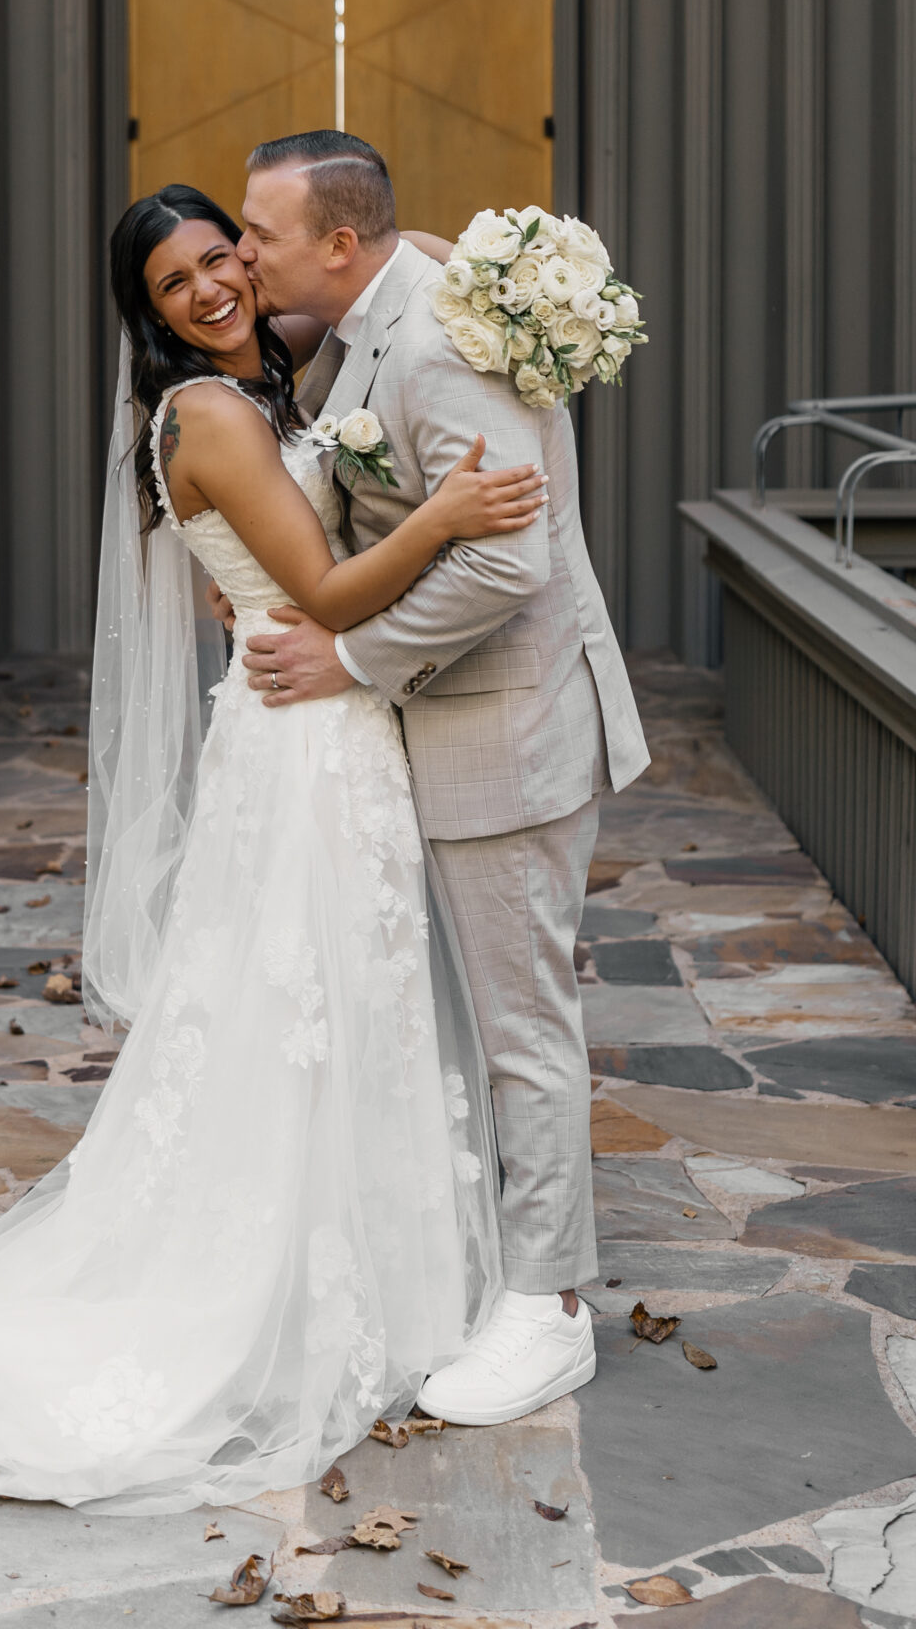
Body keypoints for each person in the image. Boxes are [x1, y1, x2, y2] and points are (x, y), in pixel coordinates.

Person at [0, 182, 544, 1512]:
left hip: (333, 731)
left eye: (220, 257)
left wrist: (433, 251)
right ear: (149, 318)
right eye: (174, 284)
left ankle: (382, 1266)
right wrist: (448, 516)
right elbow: (322, 590)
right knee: (294, 1003)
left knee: (347, 1003)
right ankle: (274, 1287)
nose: (209, 289)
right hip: (305, 739)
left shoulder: (292, 385)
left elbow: (400, 259)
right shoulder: (205, 412)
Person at [233, 131, 648, 1426]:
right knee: (478, 1018)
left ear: (338, 245)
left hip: (506, 733)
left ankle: (549, 1309)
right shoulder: (386, 307)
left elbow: (508, 565)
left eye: (263, 231)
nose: (245, 252)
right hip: (460, 726)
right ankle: (496, 1261)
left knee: (525, 1028)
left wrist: (352, 655)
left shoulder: (434, 345)